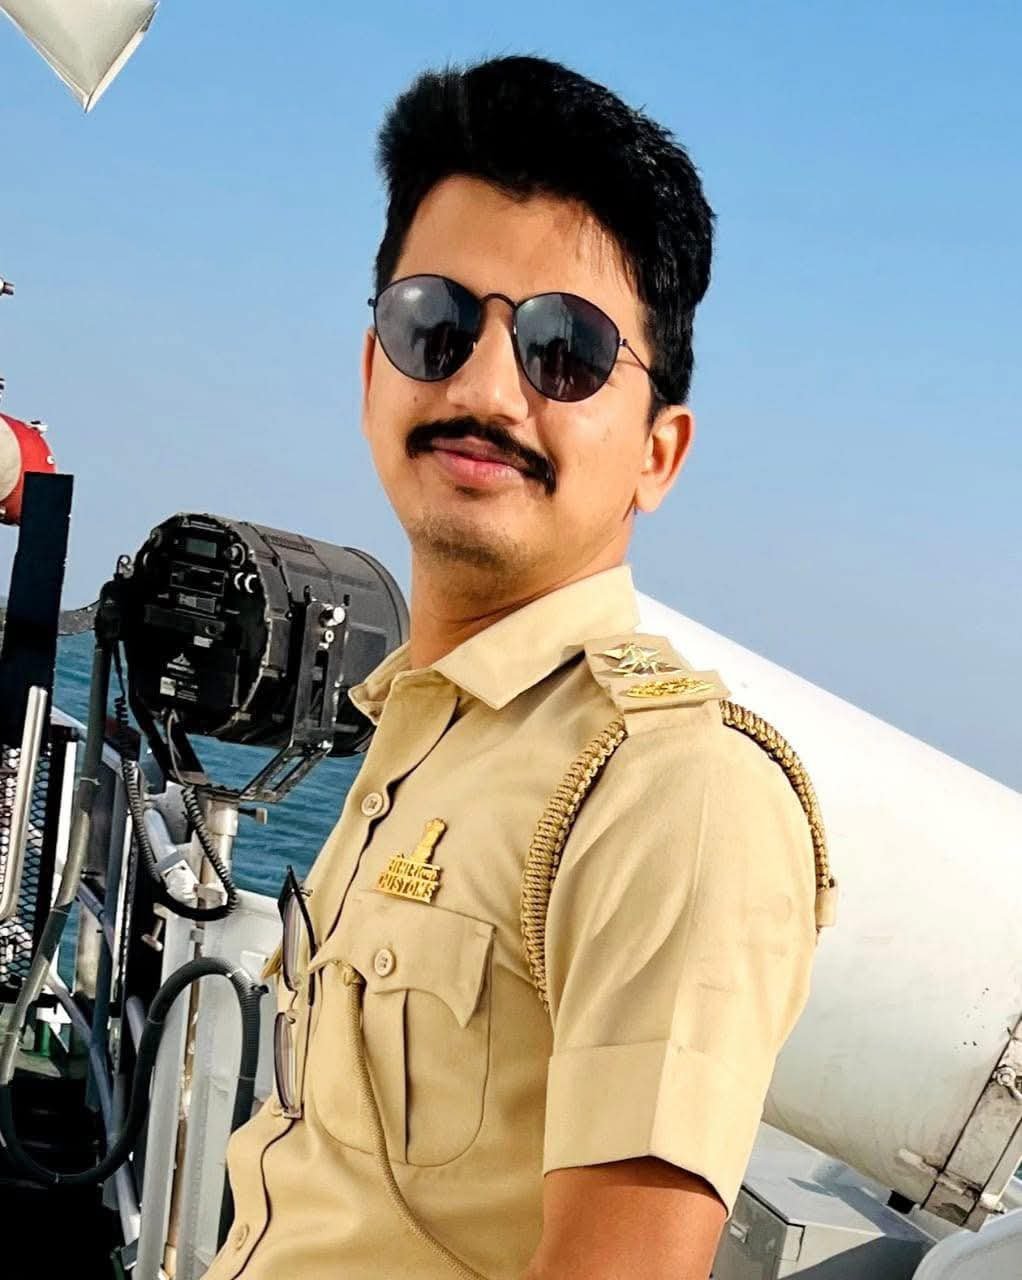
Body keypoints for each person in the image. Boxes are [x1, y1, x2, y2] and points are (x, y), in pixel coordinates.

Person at [204, 53, 828, 1280]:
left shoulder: (667, 788)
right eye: (432, 324)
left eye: (564, 351)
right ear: (372, 370)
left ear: (657, 452)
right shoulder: (421, 733)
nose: (485, 386)